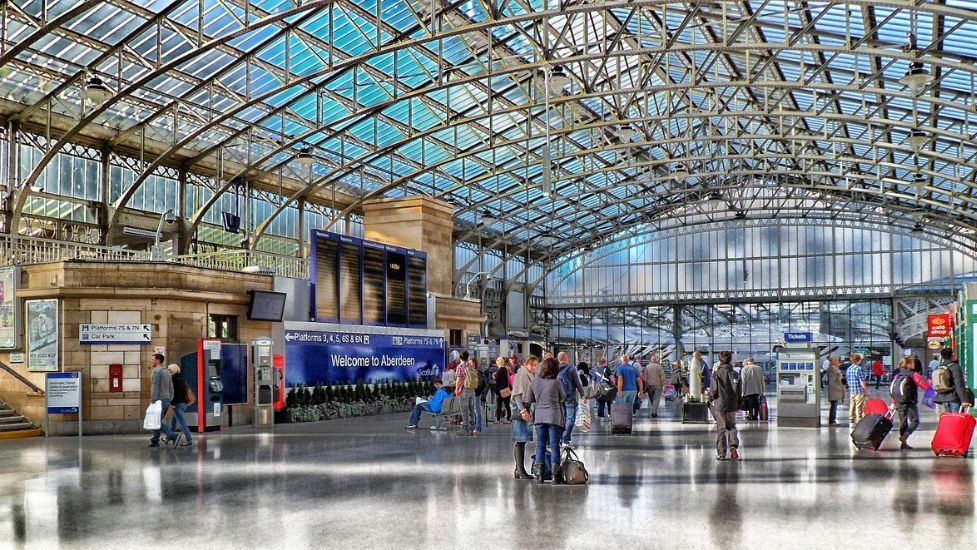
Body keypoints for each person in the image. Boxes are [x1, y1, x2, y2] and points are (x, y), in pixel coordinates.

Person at [525, 357, 566, 483]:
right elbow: (563, 397)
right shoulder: (556, 382)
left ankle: (539, 476)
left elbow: (529, 399)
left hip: (539, 417)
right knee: (554, 446)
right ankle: (555, 476)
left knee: (540, 446)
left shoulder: (535, 382)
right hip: (554, 416)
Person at [891, 356, 931, 449]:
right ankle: (905, 436)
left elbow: (894, 388)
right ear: (910, 364)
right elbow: (924, 386)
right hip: (909, 401)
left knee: (903, 422)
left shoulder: (898, 374)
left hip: (899, 400)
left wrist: (893, 402)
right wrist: (930, 385)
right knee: (915, 420)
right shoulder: (913, 374)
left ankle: (903, 444)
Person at [707, 350, 740, 461]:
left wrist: (710, 398)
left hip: (720, 404)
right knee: (731, 426)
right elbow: (738, 390)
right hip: (732, 404)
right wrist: (738, 403)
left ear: (719, 360)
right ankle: (733, 446)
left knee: (721, 429)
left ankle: (721, 453)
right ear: (730, 359)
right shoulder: (735, 374)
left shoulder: (716, 374)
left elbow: (714, 390)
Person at [511, 355, 538, 480]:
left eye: (535, 365)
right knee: (520, 440)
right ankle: (520, 470)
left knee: (522, 440)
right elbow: (516, 394)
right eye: (531, 365)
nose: (534, 367)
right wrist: (522, 410)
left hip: (526, 407)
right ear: (526, 364)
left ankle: (518, 469)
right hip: (520, 408)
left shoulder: (529, 375)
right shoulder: (522, 375)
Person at [557, 351, 585, 448]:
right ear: (566, 358)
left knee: (561, 419)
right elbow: (577, 383)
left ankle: (560, 440)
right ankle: (565, 440)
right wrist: (582, 394)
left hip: (558, 398)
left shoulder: (555, 368)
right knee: (570, 419)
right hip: (570, 397)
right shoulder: (571, 368)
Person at [933, 348, 973, 415]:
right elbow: (959, 384)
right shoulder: (955, 367)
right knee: (956, 419)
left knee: (949, 420)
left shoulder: (940, 367)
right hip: (954, 397)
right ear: (952, 355)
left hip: (943, 397)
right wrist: (964, 400)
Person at [148, 353, 174, 448]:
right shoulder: (167, 371)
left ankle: (172, 436)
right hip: (166, 399)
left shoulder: (156, 371)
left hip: (158, 400)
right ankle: (155, 440)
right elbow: (171, 387)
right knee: (157, 420)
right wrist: (170, 398)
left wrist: (153, 400)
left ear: (157, 360)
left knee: (156, 421)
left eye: (152, 359)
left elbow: (155, 387)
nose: (151, 361)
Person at [167, 364, 193, 447]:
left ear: (173, 370)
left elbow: (175, 393)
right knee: (173, 422)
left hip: (177, 404)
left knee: (182, 423)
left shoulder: (173, 379)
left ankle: (189, 440)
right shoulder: (182, 378)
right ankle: (168, 438)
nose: (168, 371)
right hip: (184, 403)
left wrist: (173, 403)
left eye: (169, 370)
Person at [846, 354, 869, 428]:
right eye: (860, 360)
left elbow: (848, 380)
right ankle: (859, 419)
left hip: (851, 390)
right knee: (859, 406)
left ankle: (851, 418)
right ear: (857, 360)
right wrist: (865, 390)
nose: (860, 361)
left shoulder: (849, 369)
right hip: (859, 390)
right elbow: (862, 381)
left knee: (852, 405)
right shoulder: (859, 369)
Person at [825, 356, 845, 427]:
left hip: (835, 391)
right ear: (834, 361)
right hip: (834, 391)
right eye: (837, 360)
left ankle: (833, 420)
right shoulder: (831, 370)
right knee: (834, 406)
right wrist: (839, 388)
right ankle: (832, 421)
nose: (839, 362)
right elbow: (832, 382)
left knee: (834, 406)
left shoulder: (835, 368)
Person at [495, 358, 512, 423]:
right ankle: (508, 418)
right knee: (507, 405)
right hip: (506, 389)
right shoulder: (506, 370)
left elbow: (497, 381)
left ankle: (498, 419)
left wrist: (496, 390)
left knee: (499, 405)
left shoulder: (499, 370)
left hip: (500, 390)